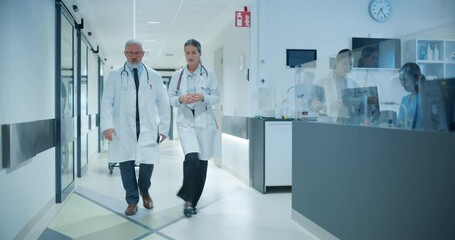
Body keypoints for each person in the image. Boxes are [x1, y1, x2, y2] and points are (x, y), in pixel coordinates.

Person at [101, 39, 170, 216]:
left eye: (137, 53)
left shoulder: (153, 75)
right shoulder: (115, 74)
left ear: (143, 54)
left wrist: (163, 128)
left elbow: (163, 103)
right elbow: (107, 101)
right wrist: (107, 126)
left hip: (147, 127)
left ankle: (144, 189)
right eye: (130, 53)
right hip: (123, 127)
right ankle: (132, 200)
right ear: (125, 54)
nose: (134, 56)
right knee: (126, 164)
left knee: (148, 162)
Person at [168, 39, 220, 217]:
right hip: (186, 122)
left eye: (193, 53)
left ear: (199, 54)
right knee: (191, 158)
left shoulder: (209, 74)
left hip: (204, 121)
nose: (190, 56)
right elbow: (170, 98)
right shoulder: (178, 76)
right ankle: (188, 199)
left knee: (202, 164)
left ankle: (192, 202)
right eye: (187, 53)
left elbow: (217, 97)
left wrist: (203, 97)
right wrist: (180, 99)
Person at [309, 49, 359, 122]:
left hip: (348, 122)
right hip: (327, 122)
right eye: (345, 63)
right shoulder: (321, 82)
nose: (348, 67)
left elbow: (359, 105)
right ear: (337, 63)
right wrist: (329, 105)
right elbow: (312, 105)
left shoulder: (354, 83)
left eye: (351, 64)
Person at [397, 62, 426, 129]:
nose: (403, 84)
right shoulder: (404, 99)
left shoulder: (424, 99)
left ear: (416, 79)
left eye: (405, 80)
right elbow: (399, 123)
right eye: (401, 80)